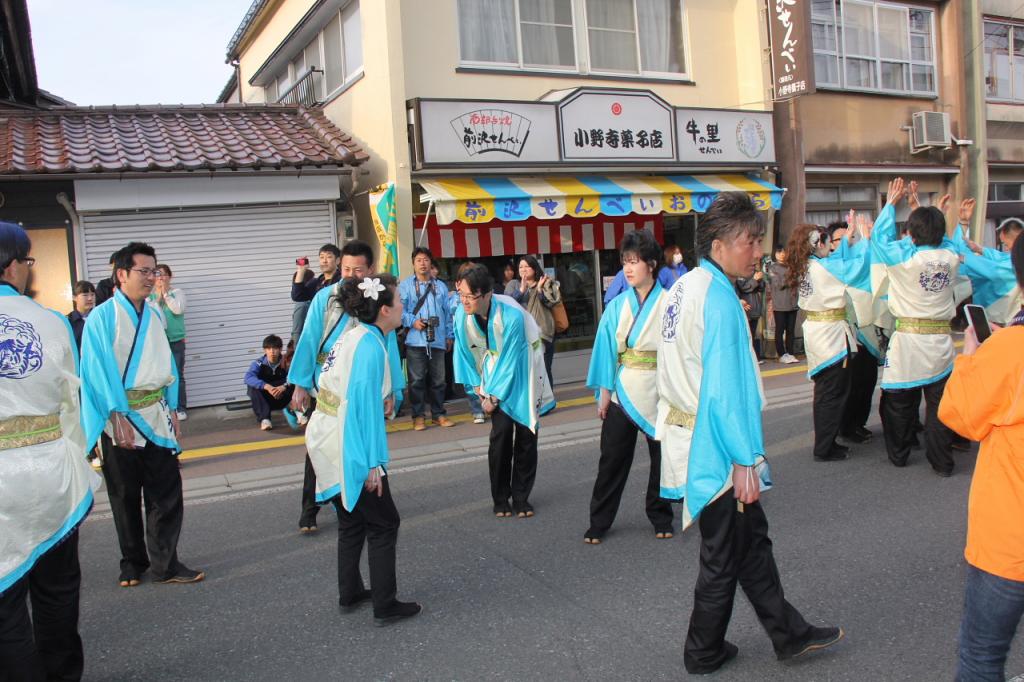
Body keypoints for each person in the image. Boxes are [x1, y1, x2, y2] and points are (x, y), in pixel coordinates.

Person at [656, 193, 842, 674]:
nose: (758, 250)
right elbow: (725, 389)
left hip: (690, 432)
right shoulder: (717, 298)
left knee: (748, 541)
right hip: (714, 446)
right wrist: (744, 459)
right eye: (750, 240)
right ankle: (703, 650)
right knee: (724, 552)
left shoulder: (683, 288)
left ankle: (788, 635)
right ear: (719, 245)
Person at [0, 222, 99, 680]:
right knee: (57, 591)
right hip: (52, 471)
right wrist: (78, 461)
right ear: (15, 264)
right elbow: (69, 405)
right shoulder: (52, 321)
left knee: (6, 608)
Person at [80, 241, 204, 586]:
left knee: (165, 491)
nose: (151, 277)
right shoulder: (102, 317)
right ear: (121, 274)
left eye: (154, 270)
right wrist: (115, 412)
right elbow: (94, 370)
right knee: (124, 495)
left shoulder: (154, 313)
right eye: (144, 271)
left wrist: (174, 411)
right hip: (119, 417)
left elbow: (166, 365)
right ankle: (131, 562)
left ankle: (165, 563)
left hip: (155, 413)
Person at [302, 274, 421, 626]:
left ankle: (350, 591)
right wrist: (372, 466)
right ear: (384, 310)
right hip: (345, 438)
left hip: (326, 432)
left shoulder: (356, 335)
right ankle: (385, 603)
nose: (403, 307)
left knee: (351, 518)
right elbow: (359, 411)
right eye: (399, 302)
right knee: (385, 522)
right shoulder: (369, 345)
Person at [939, 233, 1024, 682]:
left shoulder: (1008, 349)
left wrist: (971, 355)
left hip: (1010, 539)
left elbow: (960, 416)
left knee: (981, 656)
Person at [288, 240, 405, 533]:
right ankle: (310, 507)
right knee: (321, 445)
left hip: (363, 385)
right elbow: (309, 338)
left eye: (358, 270)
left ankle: (367, 490)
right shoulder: (325, 298)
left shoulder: (377, 301)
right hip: (327, 384)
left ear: (371, 270)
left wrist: (391, 388)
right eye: (346, 269)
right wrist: (300, 384)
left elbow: (387, 343)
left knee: (365, 438)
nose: (351, 275)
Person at [583, 230, 673, 544]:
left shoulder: (670, 302)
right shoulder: (617, 305)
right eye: (625, 262)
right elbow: (606, 351)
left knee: (661, 459)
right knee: (611, 460)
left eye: (634, 262)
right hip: (623, 390)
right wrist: (604, 396)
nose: (628, 269)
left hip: (661, 391)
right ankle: (599, 521)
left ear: (652, 263)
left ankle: (661, 515)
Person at [871, 178, 961, 476]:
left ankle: (899, 455)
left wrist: (890, 204)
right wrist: (921, 208)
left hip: (909, 338)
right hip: (940, 342)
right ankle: (943, 462)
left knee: (899, 401)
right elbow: (944, 239)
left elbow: (878, 241)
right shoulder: (950, 257)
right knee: (938, 406)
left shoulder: (905, 259)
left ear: (910, 234)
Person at [453, 264, 555, 518]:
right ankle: (500, 497)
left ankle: (521, 497)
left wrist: (494, 397)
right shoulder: (461, 314)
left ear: (487, 294)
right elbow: (464, 353)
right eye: (461, 295)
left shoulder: (511, 314)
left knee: (526, 432)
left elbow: (512, 359)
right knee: (500, 435)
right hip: (493, 368)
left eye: (470, 296)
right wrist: (479, 389)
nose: (464, 301)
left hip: (525, 367)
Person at [785, 220, 871, 462]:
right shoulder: (825, 267)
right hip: (830, 336)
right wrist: (863, 239)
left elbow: (836, 262)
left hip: (817, 332)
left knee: (824, 392)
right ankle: (825, 447)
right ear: (818, 243)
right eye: (826, 242)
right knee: (832, 393)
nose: (830, 247)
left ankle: (826, 442)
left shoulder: (805, 266)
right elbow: (856, 267)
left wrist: (849, 237)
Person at [399, 247, 455, 431]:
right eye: (419, 260)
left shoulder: (440, 286)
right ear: (413, 264)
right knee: (416, 381)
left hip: (438, 339)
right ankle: (419, 416)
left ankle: (438, 414)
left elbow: (448, 313)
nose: (423, 264)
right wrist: (413, 322)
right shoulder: (406, 286)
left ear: (431, 263)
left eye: (426, 260)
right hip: (416, 341)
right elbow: (399, 311)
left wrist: (449, 335)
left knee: (439, 380)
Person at [953, 216, 1023, 326]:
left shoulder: (1015, 260)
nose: (1005, 249)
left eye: (1006, 244)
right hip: (1005, 317)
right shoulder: (1014, 257)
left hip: (1005, 318)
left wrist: (966, 258)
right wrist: (980, 249)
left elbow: (995, 269)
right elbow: (1001, 257)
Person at [508, 255, 561, 384]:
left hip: (542, 334)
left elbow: (551, 303)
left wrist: (539, 290)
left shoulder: (545, 283)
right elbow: (507, 307)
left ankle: (547, 401)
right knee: (526, 371)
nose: (523, 269)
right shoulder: (513, 285)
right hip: (521, 335)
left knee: (544, 370)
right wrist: (521, 291)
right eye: (521, 267)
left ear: (534, 268)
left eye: (527, 266)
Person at [150, 263, 188, 421]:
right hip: (157, 342)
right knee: (160, 375)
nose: (161, 278)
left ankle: (180, 407)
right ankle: (164, 406)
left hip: (175, 340)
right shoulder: (149, 296)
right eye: (157, 275)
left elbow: (177, 310)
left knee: (177, 374)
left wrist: (166, 294)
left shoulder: (177, 293)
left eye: (164, 274)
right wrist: (158, 296)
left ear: (170, 276)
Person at [449, 264, 485, 424]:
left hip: (482, 348)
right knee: (471, 382)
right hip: (467, 347)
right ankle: (477, 409)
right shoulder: (457, 302)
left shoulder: (483, 300)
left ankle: (487, 404)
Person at [244, 334, 294, 430]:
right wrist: (267, 386)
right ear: (264, 350)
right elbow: (248, 377)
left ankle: (298, 411)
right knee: (253, 387)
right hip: (266, 399)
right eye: (269, 348)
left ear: (280, 349)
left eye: (275, 348)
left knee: (297, 383)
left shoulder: (287, 362)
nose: (272, 351)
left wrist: (284, 386)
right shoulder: (258, 363)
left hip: (284, 397)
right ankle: (265, 419)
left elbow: (296, 376)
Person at [766, 244, 799, 363]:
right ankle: (782, 354)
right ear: (775, 254)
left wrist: (790, 278)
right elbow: (778, 284)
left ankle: (790, 353)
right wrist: (790, 278)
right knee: (779, 330)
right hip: (780, 304)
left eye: (784, 252)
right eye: (779, 252)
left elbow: (797, 281)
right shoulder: (772, 268)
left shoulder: (791, 267)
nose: (782, 254)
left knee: (791, 330)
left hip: (792, 303)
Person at [735, 267, 766, 362]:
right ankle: (748, 357)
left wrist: (760, 280)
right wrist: (755, 280)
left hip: (755, 307)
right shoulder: (739, 271)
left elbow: (761, 288)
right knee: (746, 333)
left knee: (753, 333)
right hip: (745, 306)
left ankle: (755, 357)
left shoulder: (755, 272)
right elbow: (744, 287)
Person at [67, 280, 96, 349]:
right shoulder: (68, 321)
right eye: (85, 295)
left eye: (92, 294)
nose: (90, 298)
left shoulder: (100, 318)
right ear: (74, 297)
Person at [291, 268, 316, 342]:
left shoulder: (310, 302)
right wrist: (298, 351)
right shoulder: (302, 305)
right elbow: (297, 332)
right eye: (312, 280)